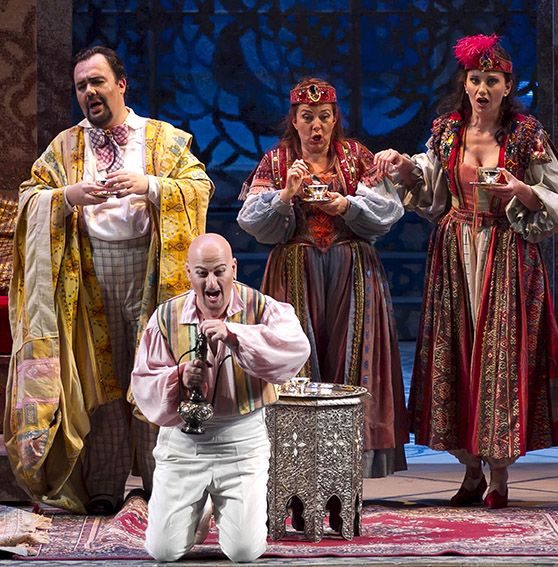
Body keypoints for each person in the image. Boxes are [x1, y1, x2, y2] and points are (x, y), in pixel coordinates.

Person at [4, 46, 213, 514]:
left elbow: (199, 187)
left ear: (121, 84)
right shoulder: (65, 145)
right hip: (90, 271)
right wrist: (64, 196)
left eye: (97, 81)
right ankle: (103, 486)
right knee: (103, 381)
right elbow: (29, 197)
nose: (89, 93)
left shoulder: (162, 139)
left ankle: (166, 487)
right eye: (81, 85)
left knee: (157, 376)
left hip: (153, 271)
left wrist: (152, 186)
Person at [374, 34, 558, 508]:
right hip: (455, 251)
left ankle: (500, 474)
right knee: (457, 353)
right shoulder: (447, 133)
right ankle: (469, 470)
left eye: (493, 80)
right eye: (475, 79)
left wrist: (519, 190)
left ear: (509, 86)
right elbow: (427, 183)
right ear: (465, 83)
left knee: (500, 357)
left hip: (507, 253)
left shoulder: (527, 136)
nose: (483, 88)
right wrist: (402, 166)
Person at [237, 77, 408, 478]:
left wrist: (345, 205)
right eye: (307, 117)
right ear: (293, 121)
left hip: (353, 269)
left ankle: (347, 464)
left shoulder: (355, 157)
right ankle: (296, 463)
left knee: (352, 361)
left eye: (324, 117)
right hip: (295, 267)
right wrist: (285, 194)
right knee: (298, 359)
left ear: (335, 120)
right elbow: (250, 220)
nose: (316, 127)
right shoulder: (278, 162)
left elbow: (388, 212)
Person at [131, 233, 310, 562]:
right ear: (188, 273)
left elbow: (296, 349)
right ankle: (199, 508)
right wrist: (178, 377)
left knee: (243, 552)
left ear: (234, 269)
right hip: (183, 444)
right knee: (163, 551)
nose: (212, 282)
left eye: (219, 271)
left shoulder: (260, 307)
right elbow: (142, 382)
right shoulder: (165, 317)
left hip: (241, 439)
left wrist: (235, 335)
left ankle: (215, 502)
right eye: (202, 273)